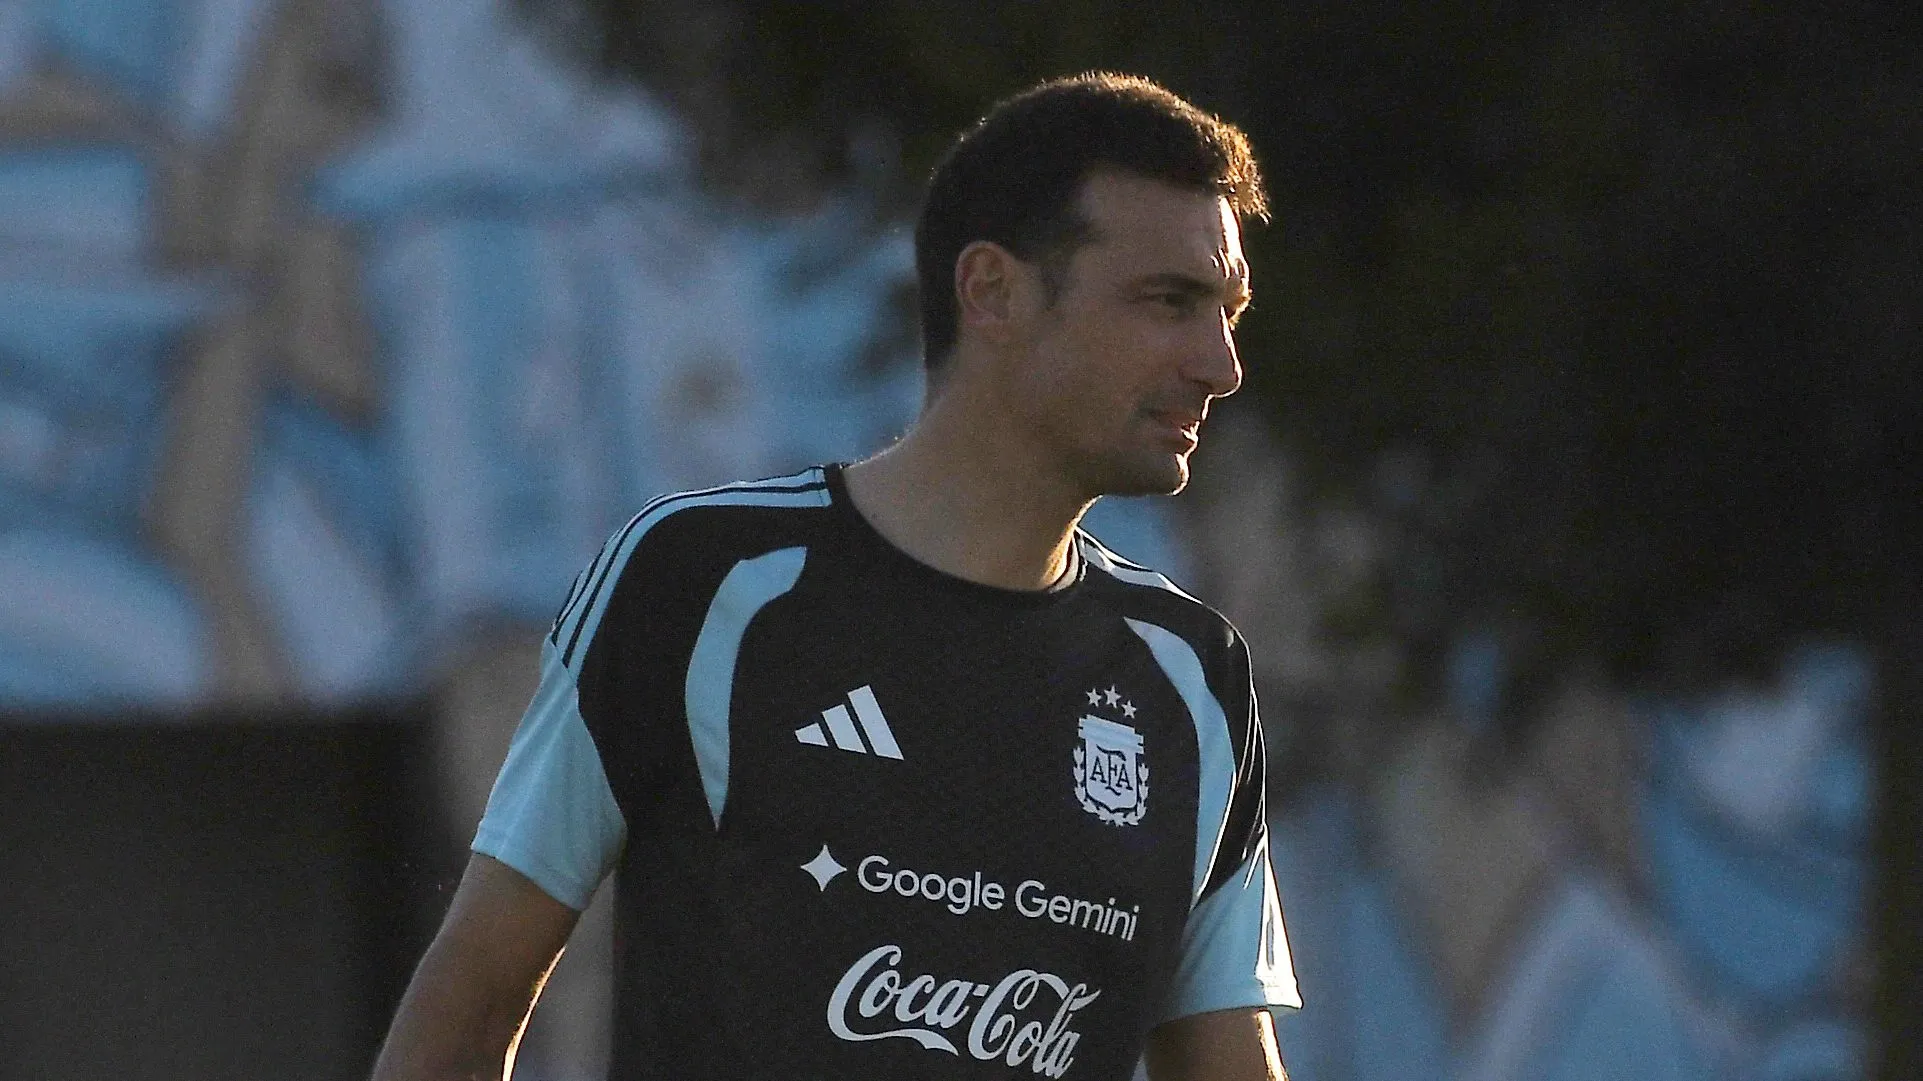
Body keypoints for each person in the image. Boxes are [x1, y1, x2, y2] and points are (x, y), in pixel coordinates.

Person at [370, 71, 1299, 1081]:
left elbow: (1230, 1065)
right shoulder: (699, 583)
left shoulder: (1192, 676)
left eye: (1228, 310)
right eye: (1170, 301)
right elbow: (471, 997)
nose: (1220, 362)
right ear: (992, 290)